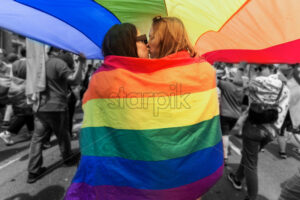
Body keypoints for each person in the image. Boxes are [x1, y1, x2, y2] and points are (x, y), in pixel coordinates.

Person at [65, 19, 222, 200]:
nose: (147, 44)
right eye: (143, 38)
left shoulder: (111, 78)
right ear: (126, 45)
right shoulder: (106, 80)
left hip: (147, 183)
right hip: (159, 181)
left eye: (151, 37)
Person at [228, 64, 290, 200]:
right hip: (271, 130)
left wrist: (241, 67)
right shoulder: (284, 87)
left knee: (251, 163)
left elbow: (236, 85)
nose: (256, 71)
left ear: (266, 68)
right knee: (249, 155)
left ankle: (252, 197)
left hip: (254, 128)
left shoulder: (257, 82)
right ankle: (237, 177)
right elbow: (284, 109)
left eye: (258, 68)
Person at [26, 47, 86, 184]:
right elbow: (74, 80)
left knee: (37, 139)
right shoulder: (57, 63)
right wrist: (81, 63)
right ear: (58, 50)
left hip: (39, 106)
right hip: (56, 106)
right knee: (62, 135)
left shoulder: (38, 63)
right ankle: (67, 158)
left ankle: (33, 171)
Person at [0, 48, 34, 145]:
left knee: (27, 112)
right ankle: (7, 133)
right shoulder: (30, 64)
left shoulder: (14, 64)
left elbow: (11, 77)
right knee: (25, 113)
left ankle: (32, 131)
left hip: (14, 89)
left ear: (20, 53)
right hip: (25, 89)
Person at [218, 62, 244, 165]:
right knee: (227, 134)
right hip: (236, 115)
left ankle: (225, 157)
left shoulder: (226, 85)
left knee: (224, 135)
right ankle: (226, 150)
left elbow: (214, 79)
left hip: (225, 113)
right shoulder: (241, 89)